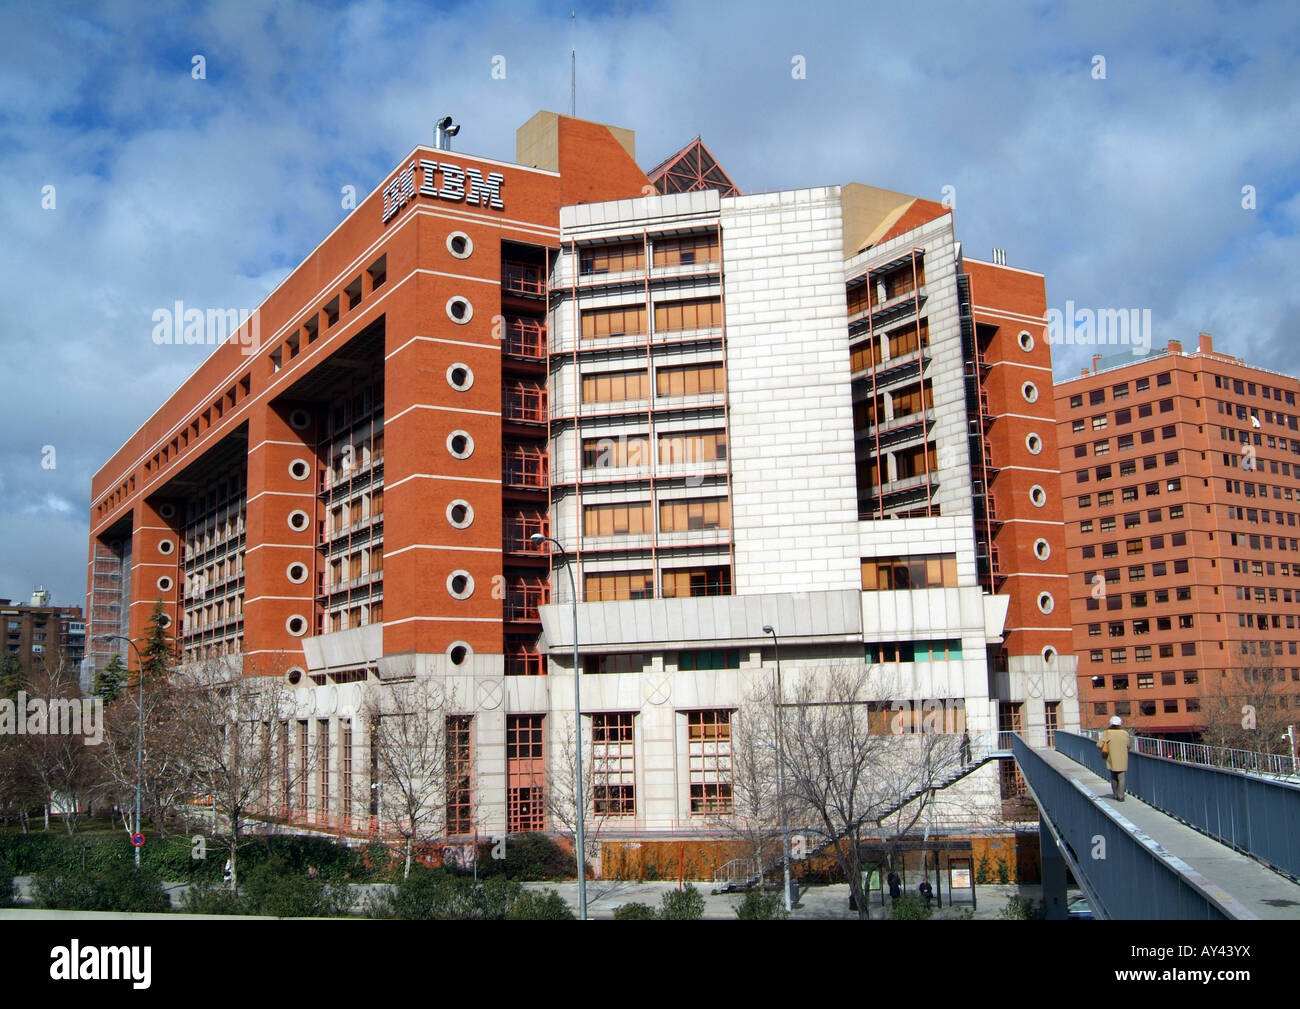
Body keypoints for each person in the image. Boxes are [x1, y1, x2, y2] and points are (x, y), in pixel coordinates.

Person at [1098, 715, 1132, 801]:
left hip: (1111, 757)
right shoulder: (1125, 733)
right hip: (1122, 757)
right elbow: (1129, 745)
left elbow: (1099, 744)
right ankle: (1121, 796)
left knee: (1113, 776)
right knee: (1122, 777)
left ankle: (1115, 794)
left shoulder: (1107, 732)